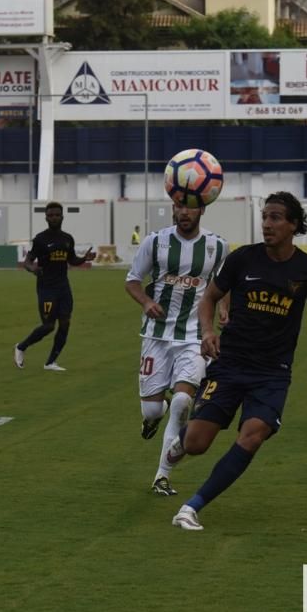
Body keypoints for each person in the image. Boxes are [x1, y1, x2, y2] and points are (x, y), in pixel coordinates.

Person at [165, 191, 307, 531]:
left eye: (275, 218)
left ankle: (191, 507)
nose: (267, 224)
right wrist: (209, 332)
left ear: (294, 225)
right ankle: (181, 442)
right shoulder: (243, 259)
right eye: (265, 217)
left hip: (272, 374)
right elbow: (209, 298)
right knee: (197, 443)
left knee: (253, 436)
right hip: (230, 365)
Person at [125, 202, 228, 496]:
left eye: (192, 207)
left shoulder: (217, 246)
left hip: (194, 337)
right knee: (153, 408)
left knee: (184, 401)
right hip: (156, 337)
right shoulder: (155, 241)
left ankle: (162, 475)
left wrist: (224, 308)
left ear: (202, 211)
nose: (185, 212)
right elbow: (132, 281)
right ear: (173, 208)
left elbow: (223, 285)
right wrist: (146, 302)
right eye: (180, 206)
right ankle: (155, 416)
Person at [13, 201, 96, 372]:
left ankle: (50, 362)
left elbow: (71, 260)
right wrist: (32, 269)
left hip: (63, 288)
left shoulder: (67, 239)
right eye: (50, 215)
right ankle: (21, 347)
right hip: (46, 288)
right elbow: (28, 261)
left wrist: (84, 258)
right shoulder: (40, 239)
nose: (54, 217)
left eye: (57, 215)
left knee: (65, 323)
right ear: (46, 218)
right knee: (49, 326)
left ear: (62, 217)